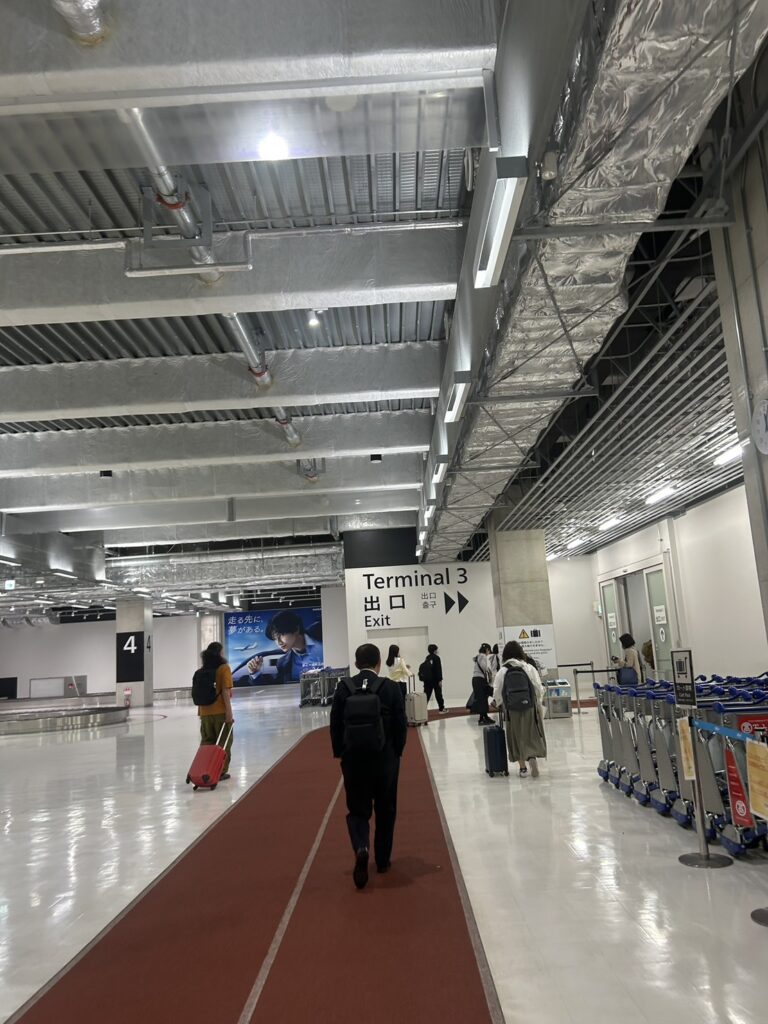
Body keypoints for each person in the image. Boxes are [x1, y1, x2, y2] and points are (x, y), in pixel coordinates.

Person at [330, 643, 407, 889]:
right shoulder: (390, 688)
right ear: (378, 663)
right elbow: (401, 723)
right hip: (385, 760)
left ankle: (361, 847)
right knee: (386, 809)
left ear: (356, 664)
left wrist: (340, 753)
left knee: (357, 810)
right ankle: (382, 860)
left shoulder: (344, 688)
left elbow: (335, 724)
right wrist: (397, 752)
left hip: (354, 760)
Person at [492, 640, 546, 778]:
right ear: (521, 653)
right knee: (531, 734)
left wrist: (499, 703)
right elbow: (538, 688)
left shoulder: (503, 670)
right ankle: (532, 757)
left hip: (512, 710)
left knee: (516, 736)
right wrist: (537, 703)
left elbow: (497, 692)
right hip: (529, 707)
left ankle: (522, 768)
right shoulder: (528, 668)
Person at [240, 609, 317, 684]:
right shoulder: (282, 662)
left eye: (281, 635)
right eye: (275, 639)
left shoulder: (319, 637)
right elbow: (277, 687)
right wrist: (255, 673)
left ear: (296, 629)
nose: (279, 642)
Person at [197, 641, 234, 780]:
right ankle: (220, 771)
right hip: (220, 712)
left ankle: (204, 769)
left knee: (206, 742)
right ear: (219, 654)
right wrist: (229, 712)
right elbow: (225, 692)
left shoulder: (201, 671)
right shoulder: (224, 669)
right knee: (224, 742)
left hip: (204, 713)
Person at [420, 644, 447, 713]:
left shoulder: (427, 657)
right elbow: (438, 669)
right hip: (435, 680)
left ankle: (422, 710)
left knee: (426, 695)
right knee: (438, 695)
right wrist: (440, 680)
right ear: (435, 650)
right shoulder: (437, 658)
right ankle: (441, 709)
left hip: (427, 680)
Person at [471, 643, 494, 726]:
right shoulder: (482, 656)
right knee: (482, 699)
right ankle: (481, 719)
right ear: (487, 649)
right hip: (479, 680)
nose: (489, 652)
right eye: (489, 650)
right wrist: (489, 670)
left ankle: (485, 716)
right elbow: (484, 667)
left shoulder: (478, 656)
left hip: (477, 680)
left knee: (482, 698)